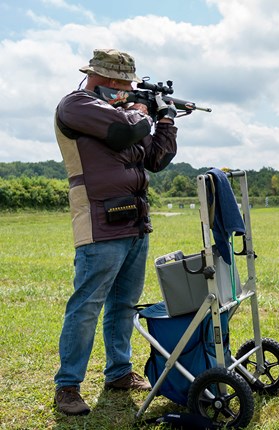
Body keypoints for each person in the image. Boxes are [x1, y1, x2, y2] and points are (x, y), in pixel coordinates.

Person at [53, 48, 179, 416]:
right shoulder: (77, 105)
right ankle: (68, 386)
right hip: (97, 220)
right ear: (105, 80)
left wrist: (166, 120)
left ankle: (119, 372)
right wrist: (142, 110)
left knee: (124, 303)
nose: (125, 89)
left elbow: (156, 159)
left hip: (134, 220)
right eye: (122, 83)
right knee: (87, 305)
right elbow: (125, 130)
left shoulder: (122, 112)